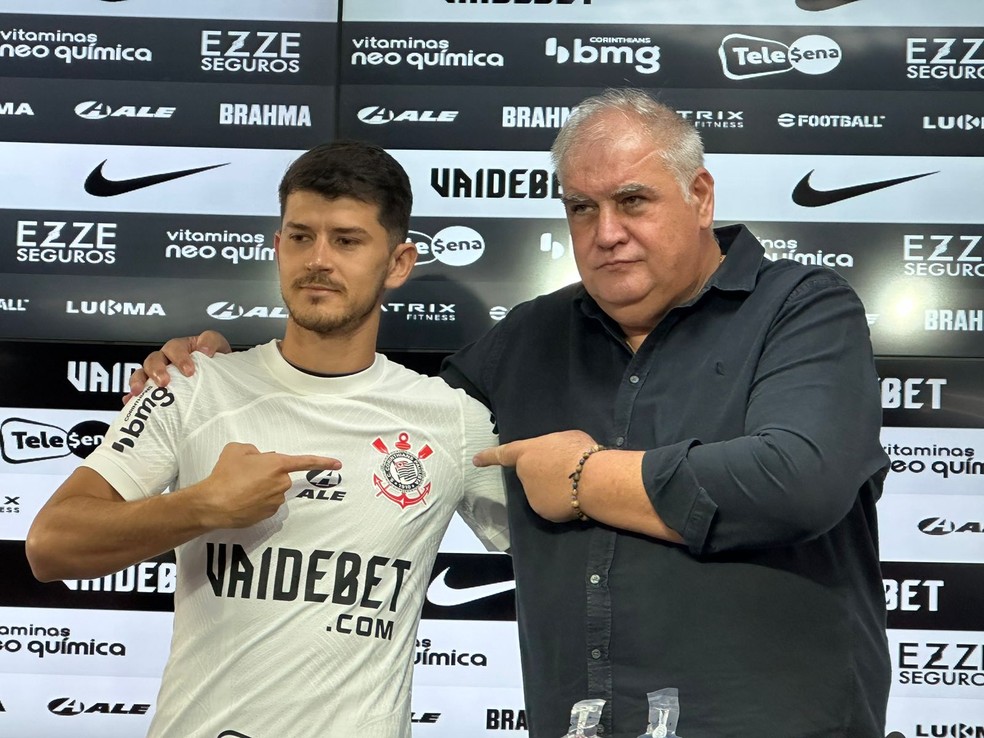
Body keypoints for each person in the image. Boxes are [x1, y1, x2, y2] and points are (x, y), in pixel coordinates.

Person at [128, 89, 892, 738]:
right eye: (582, 208)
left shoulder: (801, 308)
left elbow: (798, 481)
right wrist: (225, 372)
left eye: (633, 200)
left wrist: (583, 478)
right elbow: (378, 415)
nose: (607, 233)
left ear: (700, 196)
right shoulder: (530, 337)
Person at [25, 141, 509, 738]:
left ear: (398, 262)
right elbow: (50, 545)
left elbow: (567, 561)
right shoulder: (192, 385)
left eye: (347, 240)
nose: (318, 261)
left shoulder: (451, 418)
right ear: (278, 247)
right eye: (301, 237)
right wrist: (201, 506)